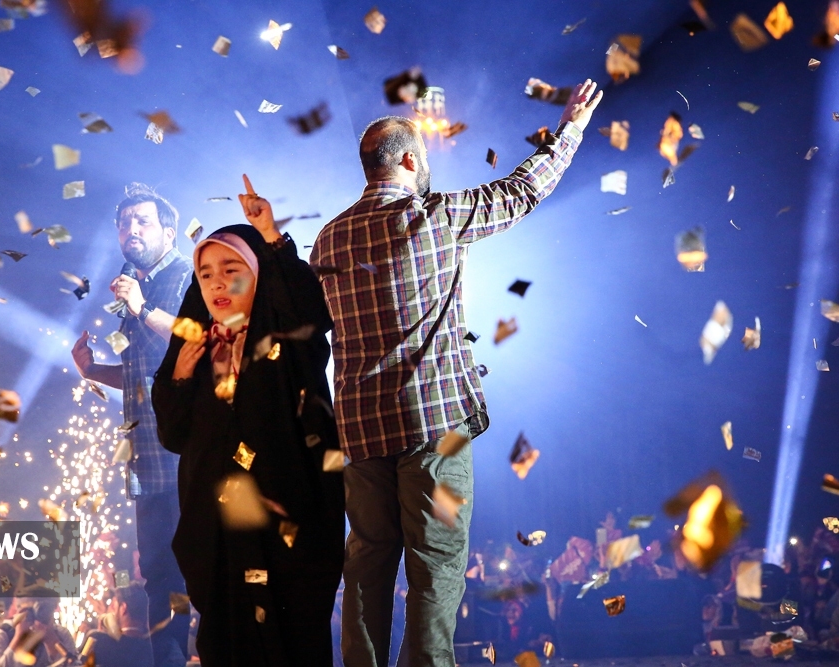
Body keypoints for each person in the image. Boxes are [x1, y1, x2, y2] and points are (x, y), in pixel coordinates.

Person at [310, 79, 603, 667]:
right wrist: (569, 129)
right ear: (408, 161)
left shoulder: (327, 239)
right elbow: (523, 190)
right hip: (435, 433)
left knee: (367, 560)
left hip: (360, 437)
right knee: (437, 561)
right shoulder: (436, 216)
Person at [151, 175, 345, 666]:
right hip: (217, 533)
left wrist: (270, 237)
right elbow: (172, 436)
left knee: (291, 642)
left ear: (259, 275)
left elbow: (311, 311)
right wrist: (179, 378)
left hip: (288, 524)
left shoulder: (287, 339)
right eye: (205, 274)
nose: (217, 282)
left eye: (231, 268)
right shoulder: (192, 353)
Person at [70, 183, 193, 666]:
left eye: (142, 221)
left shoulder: (187, 275)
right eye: (124, 223)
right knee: (160, 579)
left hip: (188, 453)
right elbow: (144, 373)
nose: (131, 229)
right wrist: (93, 371)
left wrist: (142, 307)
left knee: (203, 570)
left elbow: (195, 343)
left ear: (169, 231)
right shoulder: (132, 284)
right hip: (149, 457)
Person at [0, 588, 76, 667]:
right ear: (20, 611)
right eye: (34, 610)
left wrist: (51, 640)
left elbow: (75, 665)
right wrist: (18, 638)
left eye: (45, 610)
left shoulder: (61, 634)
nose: (40, 615)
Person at [81, 583, 154, 667]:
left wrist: (101, 636)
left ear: (123, 608)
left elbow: (79, 663)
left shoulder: (98, 640)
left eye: (113, 606)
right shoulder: (153, 648)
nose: (110, 612)